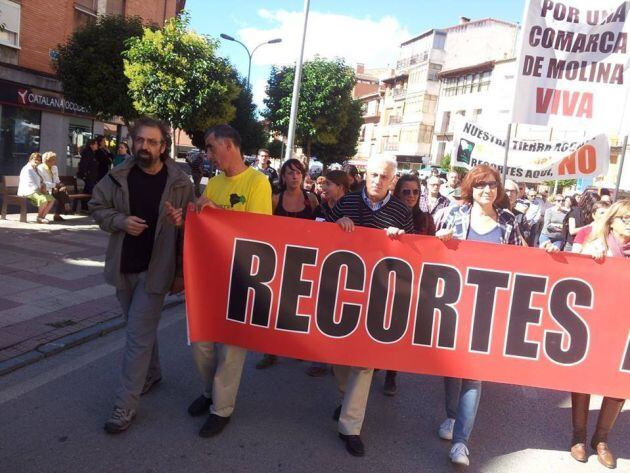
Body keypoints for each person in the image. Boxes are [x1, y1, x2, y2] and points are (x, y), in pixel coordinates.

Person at [89, 117, 194, 434]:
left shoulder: (180, 183)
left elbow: (193, 229)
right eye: (140, 140)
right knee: (140, 330)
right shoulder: (118, 174)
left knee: (136, 336)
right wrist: (120, 221)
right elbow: (96, 206)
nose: (144, 147)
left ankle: (124, 406)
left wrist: (181, 222)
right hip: (123, 267)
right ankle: (153, 373)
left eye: (151, 142)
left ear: (164, 146)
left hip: (156, 271)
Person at [178, 125, 272, 439]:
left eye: (210, 147)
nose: (207, 154)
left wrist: (216, 213)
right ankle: (209, 392)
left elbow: (259, 234)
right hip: (210, 276)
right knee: (201, 345)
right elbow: (202, 217)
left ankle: (221, 409)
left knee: (231, 351)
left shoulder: (258, 182)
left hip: (242, 278)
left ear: (228, 144)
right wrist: (185, 216)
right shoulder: (214, 182)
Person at [435, 165, 522, 467]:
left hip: (490, 307)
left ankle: (461, 441)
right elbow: (436, 253)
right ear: (471, 187)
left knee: (474, 375)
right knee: (452, 368)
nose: (487, 190)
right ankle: (450, 416)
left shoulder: (509, 221)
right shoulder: (456, 215)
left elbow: (522, 259)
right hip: (455, 304)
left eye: (492, 185)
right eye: (481, 184)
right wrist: (440, 240)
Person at [326, 155, 414, 457]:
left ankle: (350, 427)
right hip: (343, 289)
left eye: (384, 176)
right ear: (364, 174)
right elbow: (321, 235)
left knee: (364, 362)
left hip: (378, 293)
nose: (378, 180)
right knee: (338, 355)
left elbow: (413, 254)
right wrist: (337, 223)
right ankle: (346, 398)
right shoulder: (347, 202)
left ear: (393, 179)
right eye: (374, 174)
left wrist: (400, 240)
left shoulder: (402, 211)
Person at [568, 199, 630, 469]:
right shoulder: (594, 242)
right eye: (626, 218)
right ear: (612, 221)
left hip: (626, 326)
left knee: (619, 382)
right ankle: (579, 437)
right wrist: (588, 260)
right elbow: (572, 273)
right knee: (584, 378)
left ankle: (601, 439)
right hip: (594, 322)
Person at [256, 159, 319, 370]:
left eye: (298, 172)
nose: (294, 176)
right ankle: (270, 351)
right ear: (283, 176)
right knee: (274, 308)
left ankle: (297, 348)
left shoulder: (312, 199)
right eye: (289, 172)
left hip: (305, 262)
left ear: (303, 176)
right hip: (279, 260)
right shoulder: (275, 199)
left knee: (299, 309)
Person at [379, 174, 434, 396]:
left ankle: (391, 374)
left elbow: (431, 250)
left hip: (408, 279)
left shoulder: (425, 219)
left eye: (415, 192)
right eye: (406, 191)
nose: (411, 196)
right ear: (397, 193)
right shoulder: (386, 213)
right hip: (383, 275)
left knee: (396, 327)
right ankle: (371, 363)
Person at [17, 152, 55, 224]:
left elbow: (42, 181)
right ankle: (39, 217)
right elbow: (29, 182)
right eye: (35, 159)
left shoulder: (37, 169)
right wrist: (40, 189)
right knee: (44, 200)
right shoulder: (27, 169)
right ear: (30, 159)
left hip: (37, 190)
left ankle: (42, 217)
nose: (37, 161)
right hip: (28, 190)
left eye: (39, 159)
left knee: (51, 199)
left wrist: (44, 188)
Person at [38, 151, 71, 221]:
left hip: (54, 188)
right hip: (44, 189)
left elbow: (57, 180)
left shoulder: (54, 167)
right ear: (46, 160)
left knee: (62, 191)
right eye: (52, 160)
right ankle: (64, 207)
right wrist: (54, 186)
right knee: (62, 195)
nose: (54, 162)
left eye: (54, 159)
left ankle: (62, 209)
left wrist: (61, 186)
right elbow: (43, 183)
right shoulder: (40, 168)